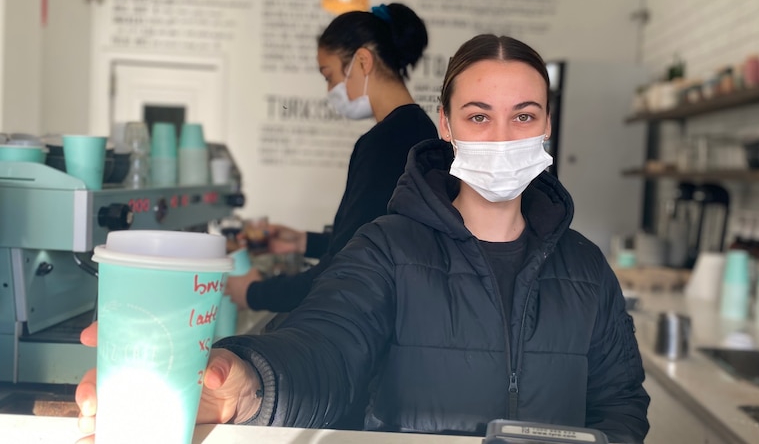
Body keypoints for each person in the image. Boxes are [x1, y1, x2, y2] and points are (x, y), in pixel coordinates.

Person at [76, 34, 650, 443]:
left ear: (547, 125)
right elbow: (325, 347)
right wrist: (249, 382)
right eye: (478, 117)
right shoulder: (388, 250)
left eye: (524, 116)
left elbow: (621, 405)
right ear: (446, 127)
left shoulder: (587, 269)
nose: (502, 136)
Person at [227, 2, 438, 312]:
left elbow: (345, 267)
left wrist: (255, 293)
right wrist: (304, 242)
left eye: (329, 75)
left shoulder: (382, 144)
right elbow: (375, 240)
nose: (330, 89)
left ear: (363, 61)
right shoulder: (420, 129)